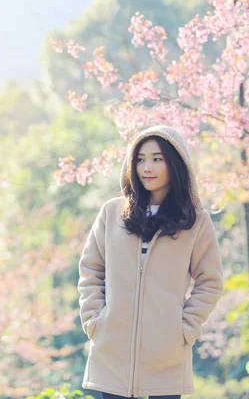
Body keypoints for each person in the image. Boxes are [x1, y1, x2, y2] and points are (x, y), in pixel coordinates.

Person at [77, 125, 224, 398]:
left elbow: (210, 281)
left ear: (175, 163)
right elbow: (91, 270)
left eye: (157, 159)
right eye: (140, 158)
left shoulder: (196, 222)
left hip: (167, 360)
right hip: (111, 358)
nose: (147, 167)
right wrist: (94, 320)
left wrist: (186, 327)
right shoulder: (112, 212)